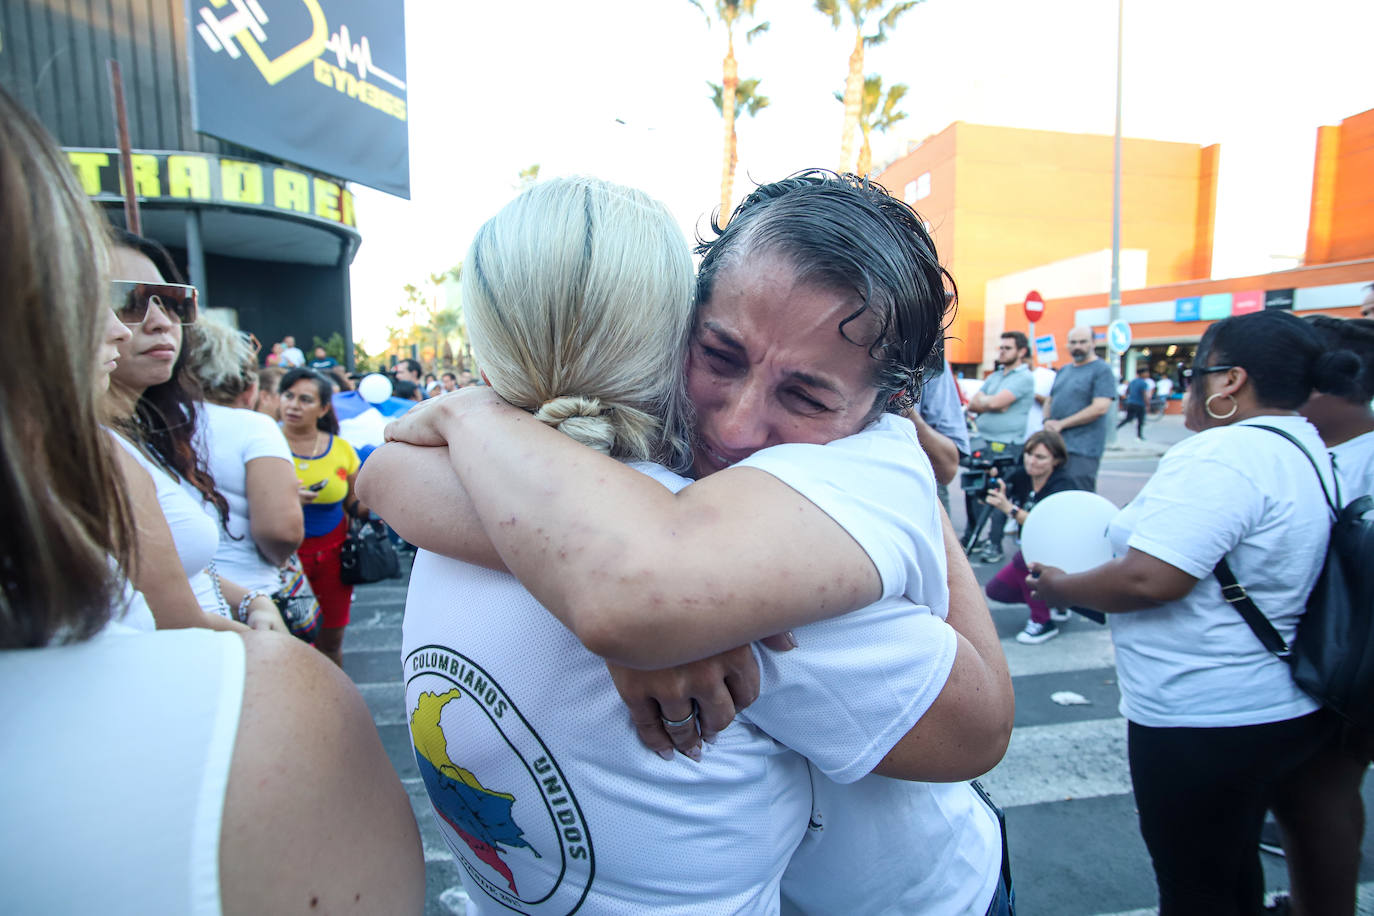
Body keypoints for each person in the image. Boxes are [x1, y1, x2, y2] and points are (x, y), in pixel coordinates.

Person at [366, 172, 1014, 915]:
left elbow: (979, 727)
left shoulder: (806, 518)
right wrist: (480, 428)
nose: (736, 427)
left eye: (805, 397)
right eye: (719, 354)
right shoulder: (626, 495)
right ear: (681, 319)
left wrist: (644, 599)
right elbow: (388, 471)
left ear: (887, 408)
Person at [0, 84, 424, 915]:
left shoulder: (137, 449)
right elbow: (266, 537)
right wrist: (263, 653)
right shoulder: (116, 460)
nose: (135, 327)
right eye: (105, 296)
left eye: (172, 304)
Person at [1028, 309, 1360, 914]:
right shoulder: (1306, 445)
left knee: (1196, 890)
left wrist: (1063, 589)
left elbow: (1152, 578)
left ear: (1230, 380)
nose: (1186, 388)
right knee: (1231, 876)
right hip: (1279, 704)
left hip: (1201, 717)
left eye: (1194, 372)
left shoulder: (1223, 454)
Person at [107, 231, 286, 632]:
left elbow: (175, 569)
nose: (160, 322)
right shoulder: (89, 445)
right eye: (126, 301)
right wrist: (276, 651)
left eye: (171, 302)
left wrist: (251, 600)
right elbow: (173, 620)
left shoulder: (147, 431)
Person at [1272, 315, 1374, 916]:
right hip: (1341, 663)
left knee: (1320, 791)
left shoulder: (1354, 464)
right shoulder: (1337, 451)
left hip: (1348, 668)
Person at [184, 321, 304, 600]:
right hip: (246, 591)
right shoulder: (255, 427)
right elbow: (281, 531)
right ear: (251, 389)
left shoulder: (150, 425)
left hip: (171, 592)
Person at [278, 368, 367, 665]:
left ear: (324, 408)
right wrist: (287, 499)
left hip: (334, 558)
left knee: (331, 642)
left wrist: (381, 508)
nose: (293, 405)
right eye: (288, 396)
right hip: (280, 561)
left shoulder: (341, 448)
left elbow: (354, 500)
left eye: (305, 399)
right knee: (284, 645)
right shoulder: (264, 442)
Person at [981, 429, 1082, 644]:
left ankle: (1042, 621)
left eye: (1040, 457)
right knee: (996, 590)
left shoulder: (1063, 484)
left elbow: (1046, 525)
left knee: (1023, 561)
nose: (1031, 461)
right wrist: (994, 486)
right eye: (1028, 454)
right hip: (1034, 548)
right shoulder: (1023, 475)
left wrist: (1009, 508)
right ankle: (1058, 602)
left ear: (1056, 460)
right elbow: (1000, 488)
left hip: (1062, 551)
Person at [964, 330, 1035, 562]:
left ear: (1021, 351)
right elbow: (975, 403)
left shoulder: (1024, 377)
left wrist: (990, 403)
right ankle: (972, 535)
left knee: (999, 493)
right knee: (974, 488)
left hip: (1007, 445)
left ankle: (994, 544)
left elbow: (994, 401)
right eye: (1001, 347)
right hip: (983, 440)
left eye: (1007, 348)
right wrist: (989, 404)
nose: (1001, 352)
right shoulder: (996, 376)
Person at [1043, 326, 1116, 490]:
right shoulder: (1064, 370)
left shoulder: (1102, 370)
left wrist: (1062, 424)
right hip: (1056, 447)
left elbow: (1100, 407)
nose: (1077, 346)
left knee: (1079, 494)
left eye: (1083, 342)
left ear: (1093, 343)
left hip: (1083, 450)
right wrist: (1047, 421)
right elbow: (1050, 399)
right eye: (1073, 342)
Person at [1118, 365, 1151, 439]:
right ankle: (1140, 435)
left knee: (1128, 418)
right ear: (1142, 374)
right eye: (1146, 373)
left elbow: (1127, 391)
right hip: (1139, 404)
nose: (1148, 374)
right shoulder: (1143, 383)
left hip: (1131, 402)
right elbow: (1144, 395)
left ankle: (1117, 427)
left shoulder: (1132, 381)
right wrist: (1148, 405)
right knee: (1140, 420)